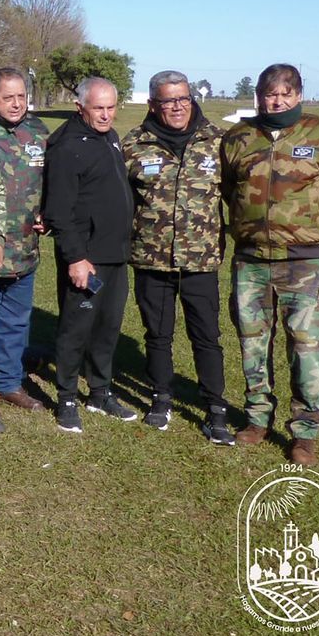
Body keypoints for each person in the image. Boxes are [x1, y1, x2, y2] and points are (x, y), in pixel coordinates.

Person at [222, 64, 319, 466]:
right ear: (259, 96)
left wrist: (315, 226)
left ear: (298, 95)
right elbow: (231, 188)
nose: (275, 101)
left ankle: (305, 432)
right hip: (251, 261)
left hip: (305, 263)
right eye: (268, 93)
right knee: (251, 343)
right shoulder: (239, 137)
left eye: (284, 93)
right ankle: (256, 418)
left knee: (306, 346)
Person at [120, 70, 232, 445]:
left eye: (183, 98)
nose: (178, 107)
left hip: (200, 261)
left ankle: (215, 407)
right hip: (152, 259)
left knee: (207, 336)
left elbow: (238, 196)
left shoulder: (218, 141)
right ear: (153, 104)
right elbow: (118, 200)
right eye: (169, 101)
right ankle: (161, 397)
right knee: (158, 334)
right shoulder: (134, 144)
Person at [42, 76, 137, 433]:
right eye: (98, 108)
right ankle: (66, 397)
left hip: (116, 253)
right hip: (87, 257)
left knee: (108, 325)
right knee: (76, 327)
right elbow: (59, 211)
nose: (106, 114)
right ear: (80, 107)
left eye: (111, 107)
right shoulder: (67, 146)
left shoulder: (110, 138)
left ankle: (100, 390)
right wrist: (76, 258)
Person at [0, 68, 53, 423]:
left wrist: (50, 213)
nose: (17, 103)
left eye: (22, 96)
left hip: (25, 246)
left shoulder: (38, 132)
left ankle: (6, 382)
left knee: (15, 321)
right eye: (9, 97)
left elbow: (51, 180)